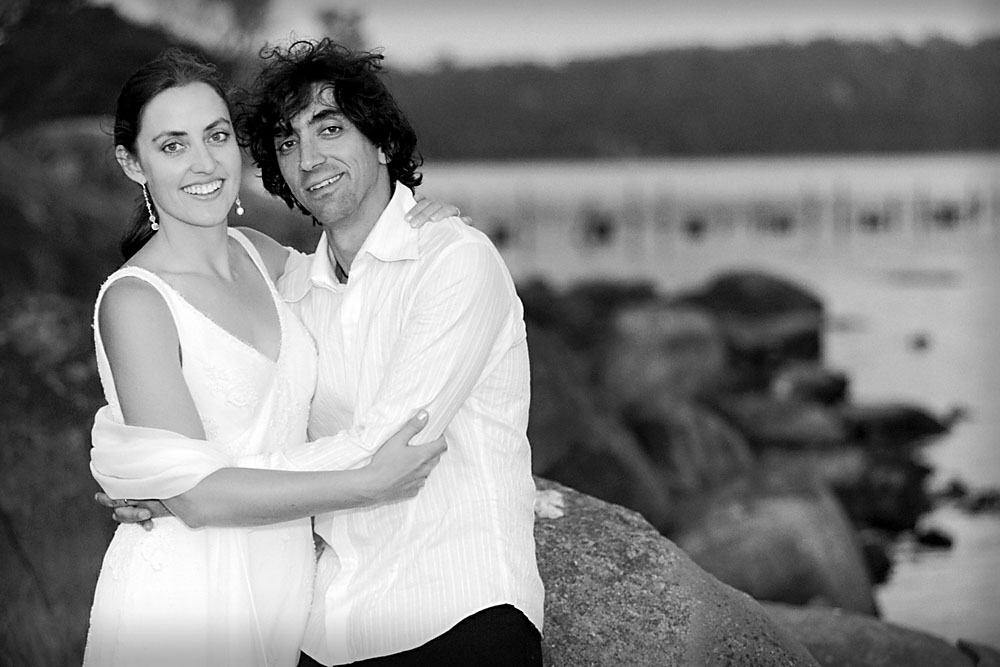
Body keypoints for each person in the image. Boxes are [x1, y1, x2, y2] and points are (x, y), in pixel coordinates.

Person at [84, 48, 458, 667]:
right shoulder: (136, 302)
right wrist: (365, 485)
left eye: (216, 136)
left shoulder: (262, 255)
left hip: (283, 588)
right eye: (173, 145)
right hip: (187, 593)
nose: (204, 164)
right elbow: (197, 496)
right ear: (132, 162)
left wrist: (421, 224)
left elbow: (366, 286)